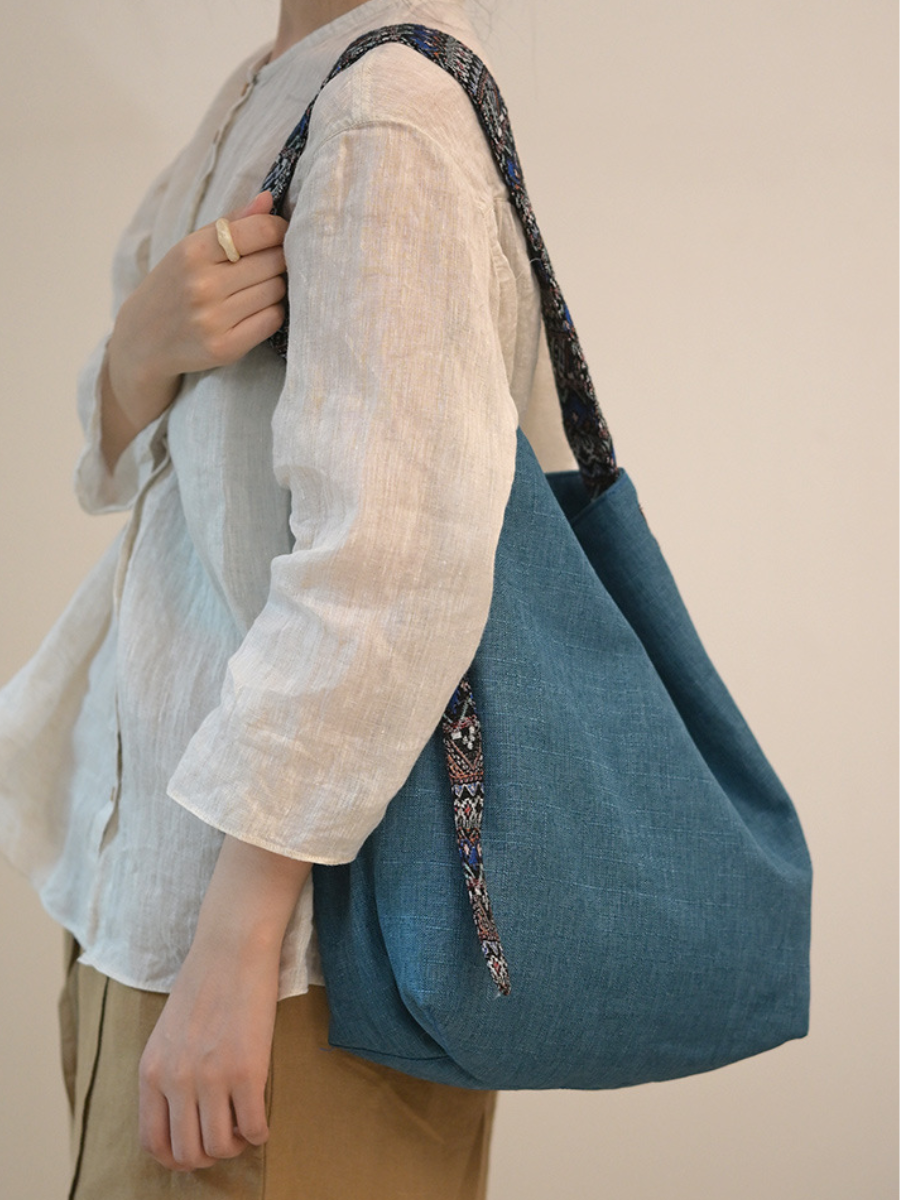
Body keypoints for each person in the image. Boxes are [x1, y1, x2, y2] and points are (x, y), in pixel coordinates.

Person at [0, 0, 576, 1194]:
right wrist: (138, 352)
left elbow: (393, 567)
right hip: (155, 896)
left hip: (283, 957)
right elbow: (143, 470)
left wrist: (233, 949)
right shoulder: (269, 80)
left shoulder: (387, 113)